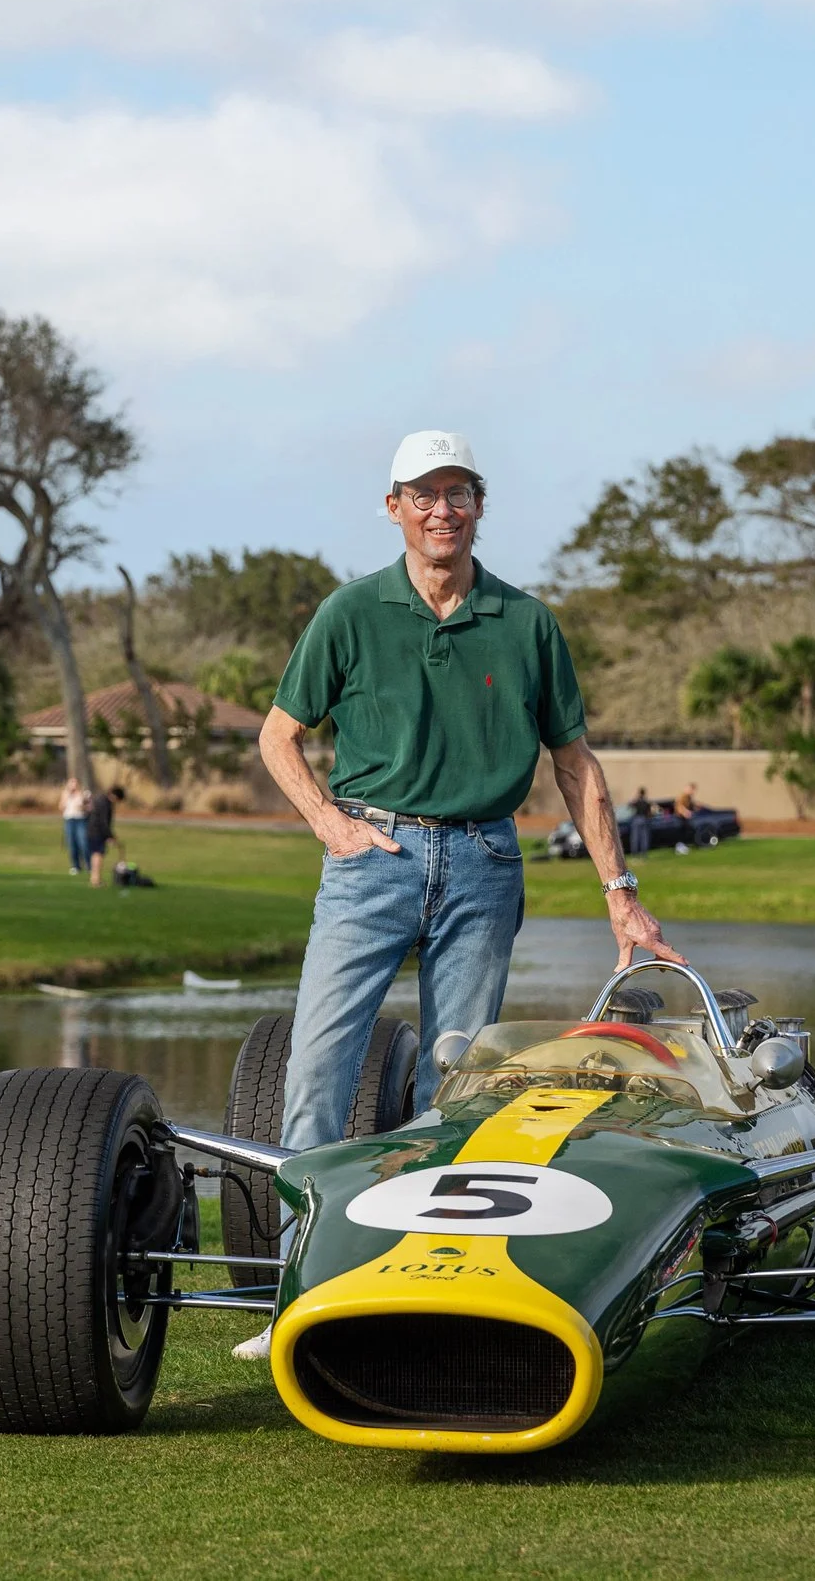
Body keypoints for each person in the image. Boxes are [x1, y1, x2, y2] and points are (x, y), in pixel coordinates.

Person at [242, 427, 679, 1363]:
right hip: (373, 859)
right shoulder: (351, 613)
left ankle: (430, 1292)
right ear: (394, 507)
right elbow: (279, 735)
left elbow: (575, 762)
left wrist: (620, 890)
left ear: (479, 505)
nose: (442, 509)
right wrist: (330, 825)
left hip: (484, 862)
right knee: (319, 1072)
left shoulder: (525, 622)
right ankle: (296, 1295)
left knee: (461, 1084)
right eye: (423, 494)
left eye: (458, 492)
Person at [85, 784, 123, 887]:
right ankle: (96, 880)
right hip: (97, 832)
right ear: (115, 796)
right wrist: (109, 836)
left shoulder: (99, 799)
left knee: (94, 854)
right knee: (98, 855)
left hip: (91, 831)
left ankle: (94, 878)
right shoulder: (105, 803)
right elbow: (104, 822)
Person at [59, 778, 91, 874]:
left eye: (75, 783)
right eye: (71, 783)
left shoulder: (85, 793)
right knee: (72, 844)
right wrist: (67, 796)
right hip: (69, 820)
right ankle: (75, 866)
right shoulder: (65, 794)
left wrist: (82, 805)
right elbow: (61, 807)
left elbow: (89, 807)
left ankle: (89, 865)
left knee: (83, 842)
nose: (73, 785)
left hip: (81, 820)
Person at [626, 787, 653, 856]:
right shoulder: (647, 802)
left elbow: (629, 805)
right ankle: (644, 853)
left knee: (635, 837)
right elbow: (649, 813)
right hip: (644, 819)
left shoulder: (636, 801)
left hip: (636, 819)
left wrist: (635, 798)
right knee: (644, 837)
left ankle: (634, 852)